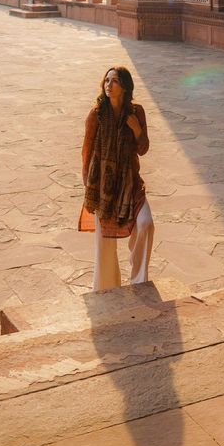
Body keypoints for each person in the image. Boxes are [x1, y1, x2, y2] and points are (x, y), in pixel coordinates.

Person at [79, 66, 154, 291]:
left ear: (125, 87)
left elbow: (143, 149)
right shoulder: (97, 114)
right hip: (103, 186)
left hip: (130, 182)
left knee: (146, 224)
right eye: (107, 81)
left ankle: (139, 281)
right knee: (104, 243)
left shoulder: (136, 113)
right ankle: (105, 288)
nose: (109, 86)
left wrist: (137, 130)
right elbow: (87, 149)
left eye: (114, 81)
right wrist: (89, 185)